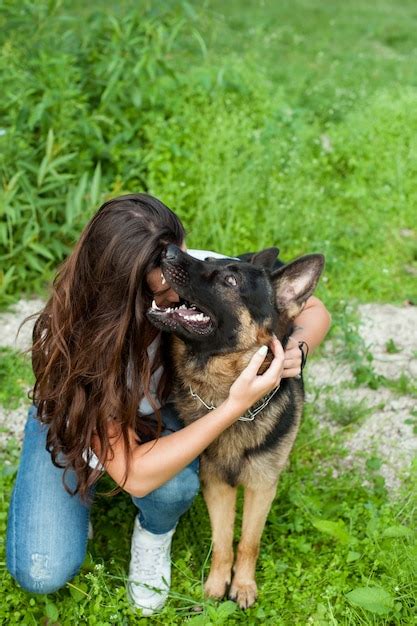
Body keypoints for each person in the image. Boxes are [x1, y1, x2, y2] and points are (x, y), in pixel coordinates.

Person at [6, 193, 331, 615]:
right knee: (41, 571)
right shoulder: (76, 342)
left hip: (157, 415)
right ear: (118, 285)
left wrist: (296, 351)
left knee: (175, 484)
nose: (178, 271)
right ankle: (83, 468)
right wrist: (234, 406)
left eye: (175, 252)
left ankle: (153, 533)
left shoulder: (189, 269)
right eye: (158, 269)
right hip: (81, 414)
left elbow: (311, 309)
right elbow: (138, 475)